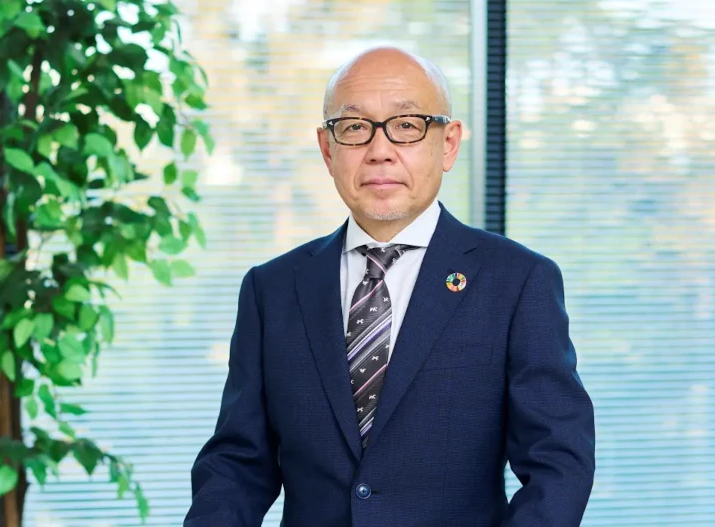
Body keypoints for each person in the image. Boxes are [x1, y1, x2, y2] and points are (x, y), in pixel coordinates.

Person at [184, 46, 595, 527]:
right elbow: (238, 464)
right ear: (327, 149)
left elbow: (558, 463)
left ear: (449, 144)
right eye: (355, 127)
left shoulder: (517, 281)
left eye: (406, 125)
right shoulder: (272, 289)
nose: (380, 150)